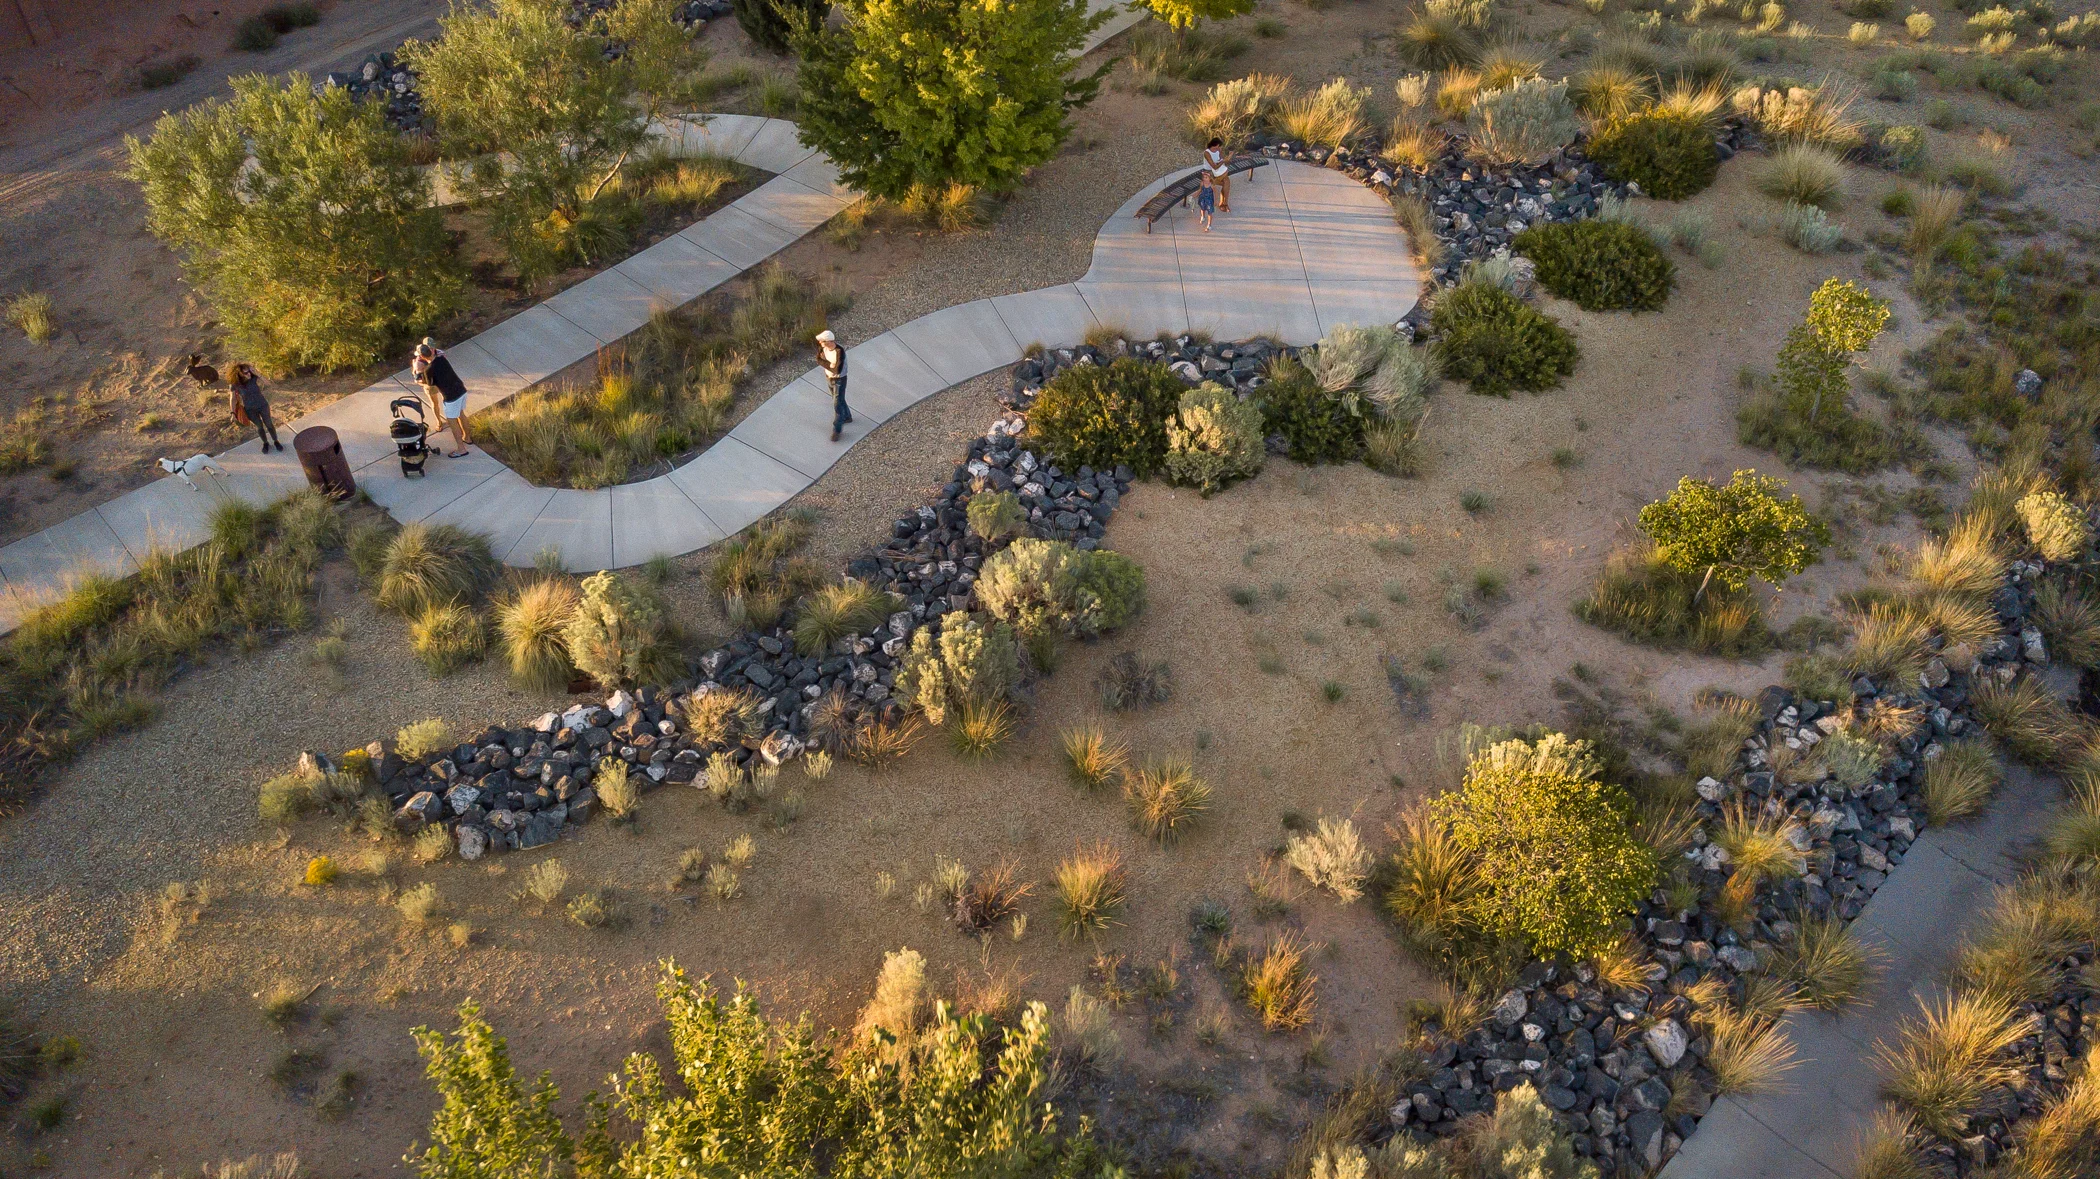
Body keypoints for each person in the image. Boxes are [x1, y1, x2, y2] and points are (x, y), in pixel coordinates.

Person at [413, 338, 472, 458]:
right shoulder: (441, 359)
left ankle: (461, 449)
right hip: (461, 389)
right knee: (461, 414)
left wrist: (417, 376)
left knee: (453, 422)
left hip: (451, 397)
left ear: (423, 357)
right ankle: (468, 438)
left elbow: (427, 384)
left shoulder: (429, 369)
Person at [228, 362, 281, 452]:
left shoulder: (253, 377)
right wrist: (233, 413)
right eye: (246, 373)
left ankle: (276, 441)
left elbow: (268, 384)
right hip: (250, 409)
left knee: (269, 424)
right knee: (259, 427)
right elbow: (233, 399)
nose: (249, 374)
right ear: (240, 374)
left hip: (263, 405)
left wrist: (258, 373)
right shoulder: (235, 384)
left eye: (249, 371)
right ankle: (265, 443)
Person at [816, 329, 852, 442]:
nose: (820, 343)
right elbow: (818, 360)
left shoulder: (839, 351)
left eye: (822, 341)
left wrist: (829, 366)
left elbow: (837, 370)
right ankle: (847, 416)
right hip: (829, 378)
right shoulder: (823, 348)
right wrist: (830, 365)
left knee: (837, 404)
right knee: (839, 400)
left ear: (829, 341)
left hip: (839, 380)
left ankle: (837, 429)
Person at [1204, 137, 1231, 214]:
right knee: (1226, 183)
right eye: (1218, 146)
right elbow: (1214, 166)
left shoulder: (1218, 150)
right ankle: (1224, 204)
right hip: (1209, 172)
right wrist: (1223, 161)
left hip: (1218, 172)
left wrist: (1228, 157)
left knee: (1226, 181)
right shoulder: (1207, 153)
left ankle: (1224, 203)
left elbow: (1224, 162)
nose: (1219, 148)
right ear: (1215, 145)